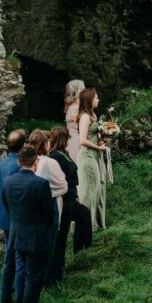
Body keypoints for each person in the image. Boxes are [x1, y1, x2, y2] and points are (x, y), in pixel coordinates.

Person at [0, 146, 58, 303]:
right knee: (33, 278)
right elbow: (49, 213)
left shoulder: (7, 182)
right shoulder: (40, 183)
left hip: (16, 234)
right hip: (36, 236)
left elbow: (7, 207)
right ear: (36, 162)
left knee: (21, 269)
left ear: (19, 162)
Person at [47, 126, 92, 284]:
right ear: (62, 139)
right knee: (62, 235)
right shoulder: (55, 157)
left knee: (84, 215)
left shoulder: (62, 154)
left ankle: (81, 252)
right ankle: (57, 271)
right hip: (65, 201)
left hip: (72, 197)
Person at [0, 129, 26, 303]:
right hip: (16, 217)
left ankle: (6, 295)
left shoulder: (1, 164)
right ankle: (14, 299)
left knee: (9, 257)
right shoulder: (18, 166)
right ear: (23, 145)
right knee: (17, 258)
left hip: (4, 216)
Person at [76, 87, 107, 230]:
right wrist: (98, 147)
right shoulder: (85, 117)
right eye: (96, 97)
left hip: (94, 154)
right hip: (87, 155)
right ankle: (84, 225)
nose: (98, 99)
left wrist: (102, 139)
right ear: (89, 100)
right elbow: (82, 140)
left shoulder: (93, 115)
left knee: (98, 188)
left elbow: (92, 136)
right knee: (88, 190)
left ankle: (96, 223)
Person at [25, 130, 68, 220]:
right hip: (50, 203)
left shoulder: (25, 160)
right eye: (48, 141)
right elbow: (63, 186)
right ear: (45, 144)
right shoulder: (49, 162)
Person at [64, 79, 85, 162]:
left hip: (75, 139)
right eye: (83, 89)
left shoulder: (76, 106)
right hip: (76, 141)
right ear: (79, 91)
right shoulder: (75, 108)